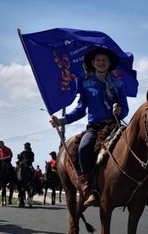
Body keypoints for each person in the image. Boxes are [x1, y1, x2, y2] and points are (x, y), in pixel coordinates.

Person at [50, 47, 128, 207]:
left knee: (135, 145)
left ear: (109, 63)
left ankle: (141, 190)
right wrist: (62, 121)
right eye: (98, 60)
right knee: (83, 148)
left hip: (115, 125)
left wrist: (119, 111)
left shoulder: (118, 84)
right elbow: (80, 110)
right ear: (93, 63)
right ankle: (88, 188)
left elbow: (125, 109)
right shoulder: (86, 84)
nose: (101, 63)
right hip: (95, 127)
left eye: (104, 60)